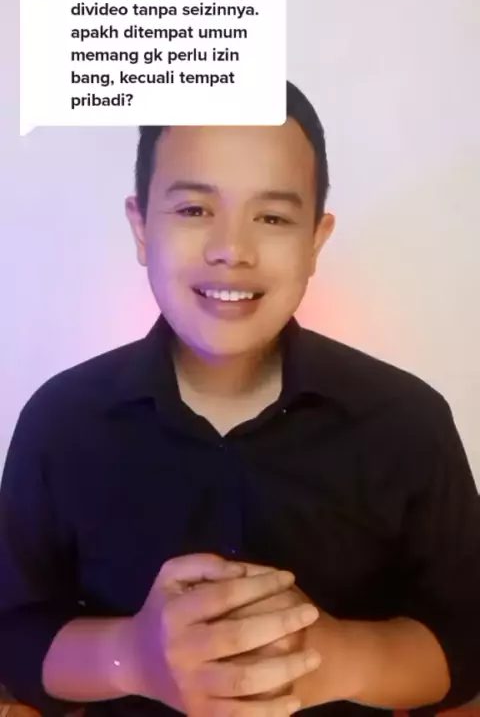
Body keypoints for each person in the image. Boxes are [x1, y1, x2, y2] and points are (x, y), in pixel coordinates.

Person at [0, 81, 479, 717]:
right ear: (141, 227)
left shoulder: (408, 422)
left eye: (273, 217)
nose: (232, 249)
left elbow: (465, 640)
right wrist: (132, 656)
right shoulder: (61, 422)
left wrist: (337, 659)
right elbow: (15, 631)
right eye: (194, 209)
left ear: (316, 240)